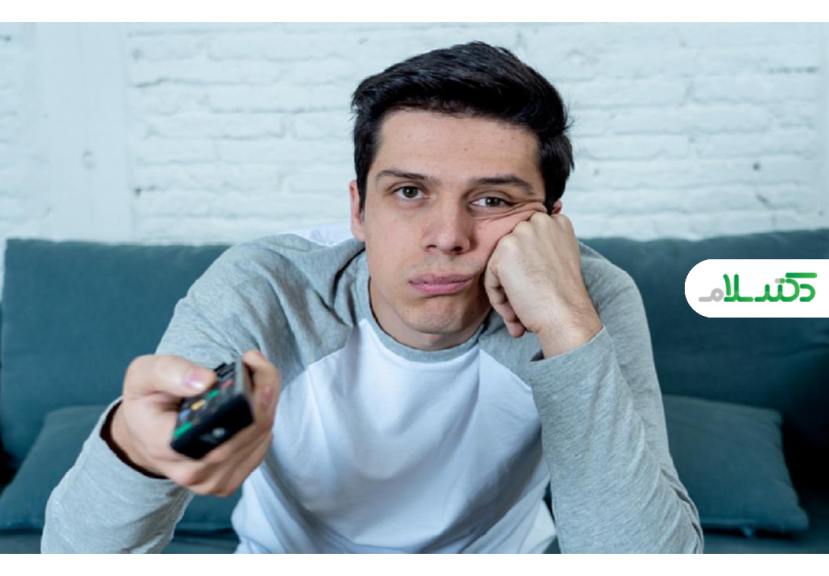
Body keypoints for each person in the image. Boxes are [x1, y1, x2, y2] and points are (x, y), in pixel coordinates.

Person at [42, 40, 703, 554]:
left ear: (552, 225)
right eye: (409, 192)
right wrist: (134, 447)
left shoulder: (588, 299)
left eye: (492, 200)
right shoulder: (265, 287)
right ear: (359, 210)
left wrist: (565, 324)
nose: (448, 236)